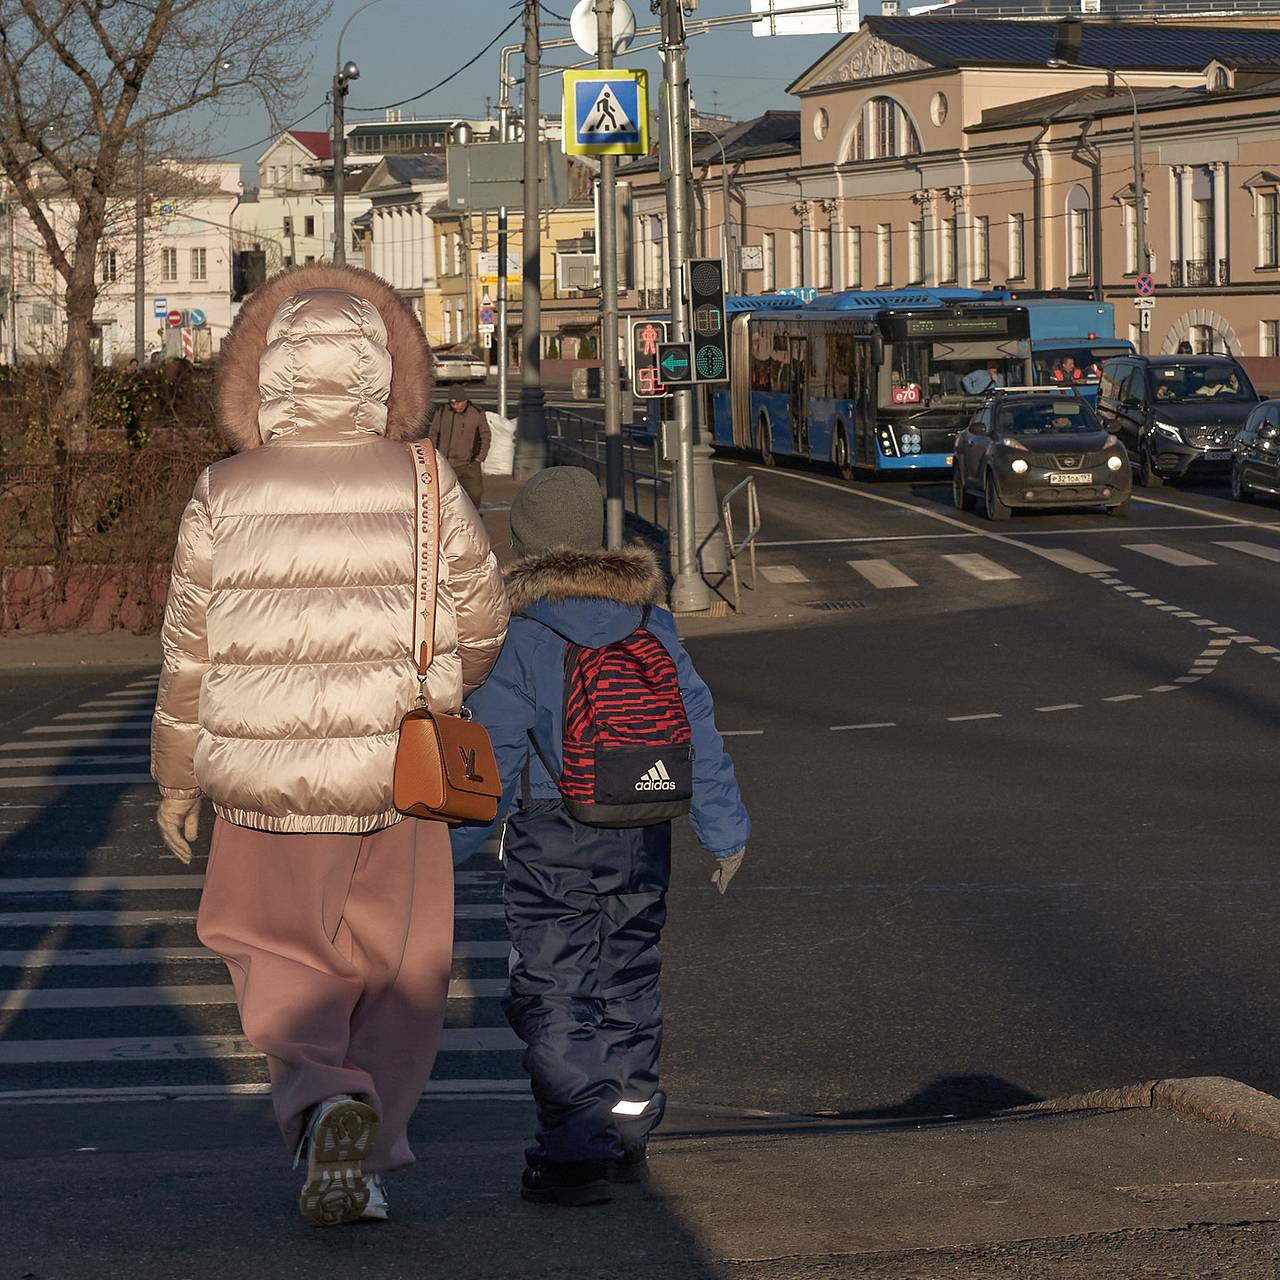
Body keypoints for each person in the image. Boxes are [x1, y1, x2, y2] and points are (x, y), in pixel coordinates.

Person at [150, 263, 509, 1228]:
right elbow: (484, 618)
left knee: (276, 951)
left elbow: (190, 648)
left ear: (261, 374)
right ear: (384, 372)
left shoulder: (223, 489)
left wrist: (177, 780)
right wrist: (438, 690)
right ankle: (370, 1141)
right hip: (400, 775)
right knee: (400, 966)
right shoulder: (427, 480)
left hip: (264, 788)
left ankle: (322, 1102)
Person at [451, 467, 750, 1208]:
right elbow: (698, 731)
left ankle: (574, 1150)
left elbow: (497, 752)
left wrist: (451, 849)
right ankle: (626, 1133)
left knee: (554, 990)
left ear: (520, 544)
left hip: (552, 833)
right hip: (644, 826)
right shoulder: (650, 621)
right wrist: (725, 831)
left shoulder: (518, 632)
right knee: (629, 979)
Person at [428, 394, 491, 508]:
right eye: (452, 403)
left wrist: (479, 458)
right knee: (444, 495)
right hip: (446, 462)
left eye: (458, 403)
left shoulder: (476, 413)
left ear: (465, 400)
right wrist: (434, 453)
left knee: (474, 494)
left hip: (470, 463)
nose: (455, 406)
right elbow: (433, 433)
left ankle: (472, 516)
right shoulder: (442, 412)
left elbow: (485, 435)